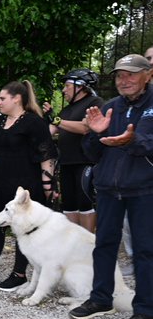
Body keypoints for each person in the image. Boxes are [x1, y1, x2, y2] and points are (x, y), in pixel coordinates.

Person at [69, 53, 153, 319]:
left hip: (144, 189)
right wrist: (93, 134)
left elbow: (147, 145)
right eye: (119, 75)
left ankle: (144, 310)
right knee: (104, 244)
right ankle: (101, 298)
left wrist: (133, 140)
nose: (124, 80)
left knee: (144, 251)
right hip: (108, 188)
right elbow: (92, 153)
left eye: (131, 74)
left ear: (148, 75)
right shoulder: (110, 107)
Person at [0, 80, 58, 290]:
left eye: (3, 98)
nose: (0, 102)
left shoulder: (33, 123)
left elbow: (46, 153)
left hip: (23, 185)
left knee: (22, 229)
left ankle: (19, 274)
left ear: (17, 99)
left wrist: (48, 183)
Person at [43, 69, 103, 232]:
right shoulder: (66, 110)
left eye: (67, 86)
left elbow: (85, 127)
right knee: (69, 205)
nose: (63, 90)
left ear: (81, 86)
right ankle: (74, 245)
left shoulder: (95, 102)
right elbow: (49, 132)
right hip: (67, 163)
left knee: (85, 203)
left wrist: (56, 120)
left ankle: (88, 246)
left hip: (85, 161)